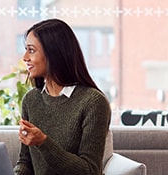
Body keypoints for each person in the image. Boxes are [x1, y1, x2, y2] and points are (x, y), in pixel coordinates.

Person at [14, 19, 111, 175]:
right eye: (25, 49)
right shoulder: (31, 100)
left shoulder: (93, 102)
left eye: (31, 50)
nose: (25, 57)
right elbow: (26, 161)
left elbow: (90, 170)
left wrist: (43, 143)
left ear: (53, 53)